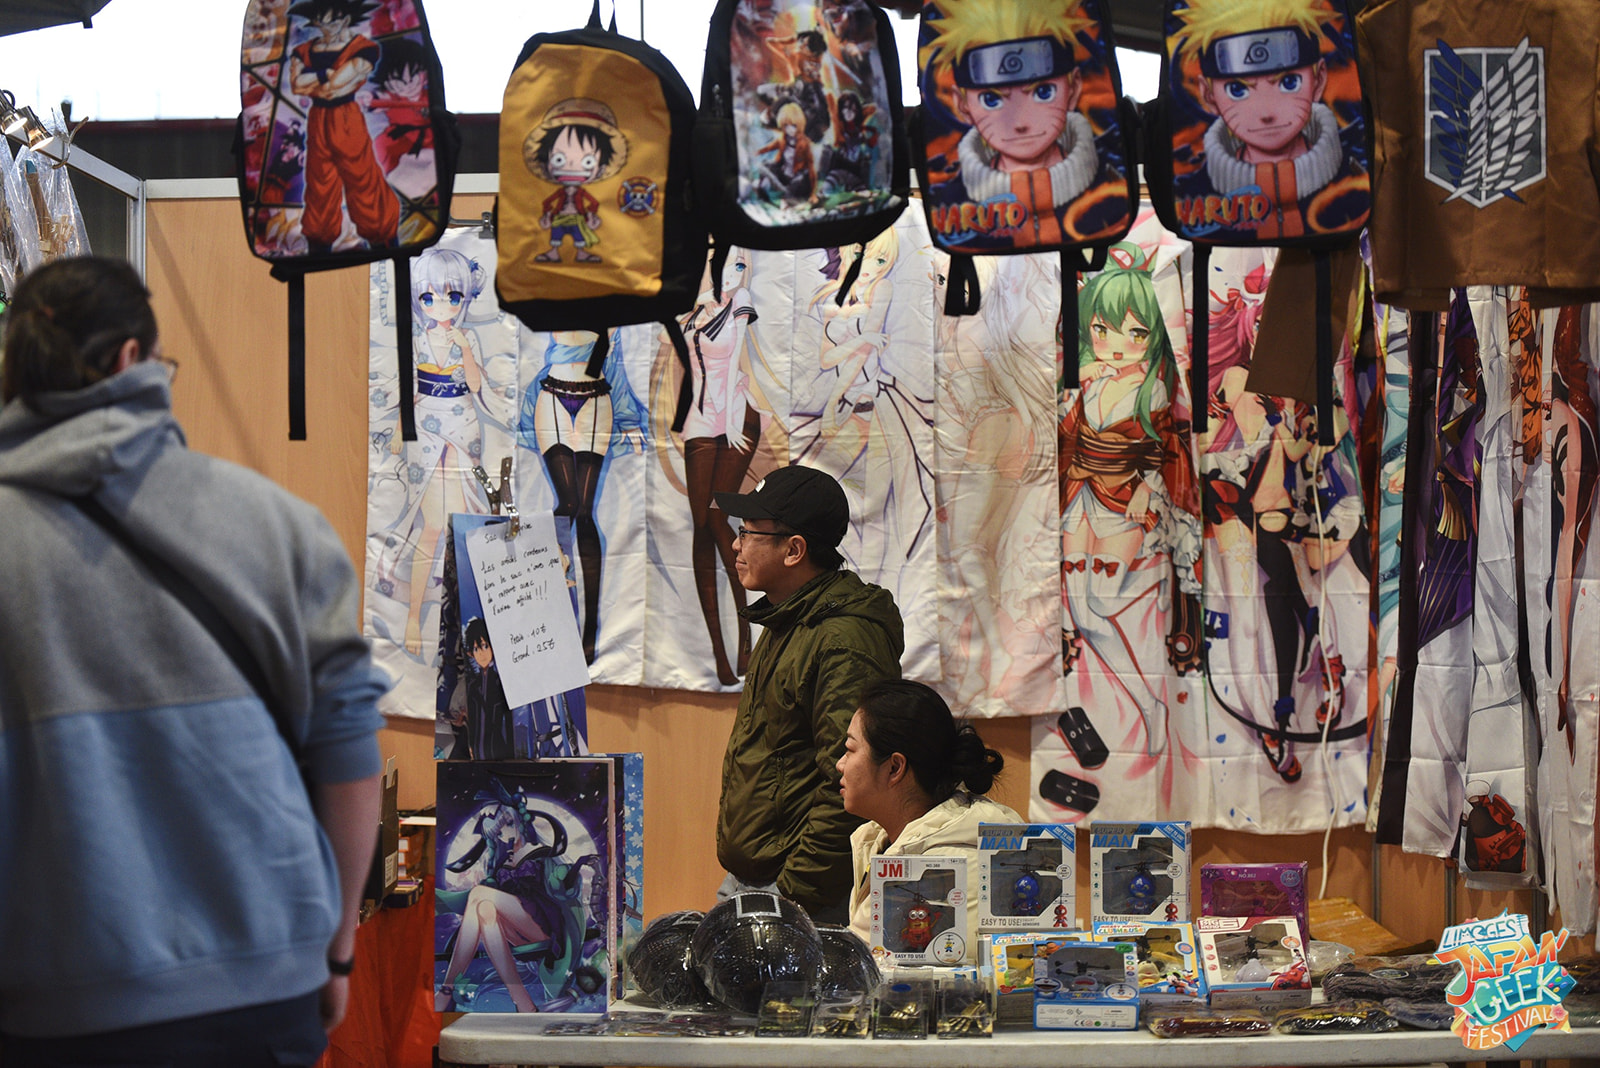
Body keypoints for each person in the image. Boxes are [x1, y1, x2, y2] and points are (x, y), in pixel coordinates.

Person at [0, 257, 386, 1065]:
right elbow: (349, 755)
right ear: (131, 360)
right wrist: (337, 949)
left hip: (52, 999)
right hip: (262, 984)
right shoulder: (278, 524)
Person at [713, 464, 904, 921]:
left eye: (748, 532)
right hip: (755, 879)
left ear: (794, 549)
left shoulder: (843, 640)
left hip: (799, 895)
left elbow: (851, 784)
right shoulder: (790, 618)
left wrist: (793, 892)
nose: (736, 545)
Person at [839, 679, 1020, 962]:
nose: (840, 764)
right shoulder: (881, 840)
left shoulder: (953, 862)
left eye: (850, 749)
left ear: (894, 767)